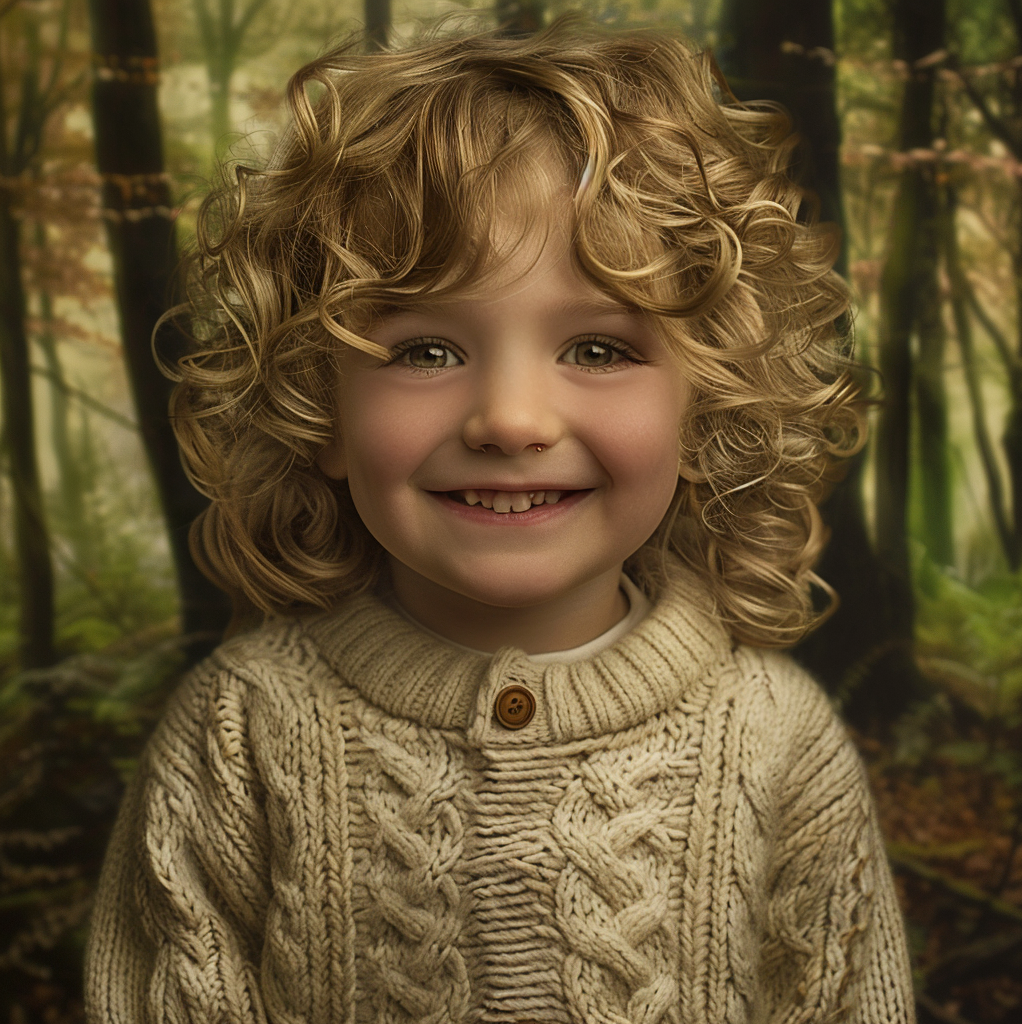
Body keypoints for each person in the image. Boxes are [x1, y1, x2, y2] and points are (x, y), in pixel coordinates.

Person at [84, 16, 917, 1024]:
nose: (512, 420)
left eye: (599, 350)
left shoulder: (776, 742)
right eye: (426, 350)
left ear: (706, 408)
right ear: (320, 407)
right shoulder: (239, 735)